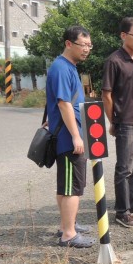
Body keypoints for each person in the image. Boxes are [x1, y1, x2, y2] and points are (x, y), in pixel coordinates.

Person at [102, 17, 133, 229]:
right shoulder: (114, 61)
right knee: (124, 167)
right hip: (125, 122)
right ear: (124, 36)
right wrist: (113, 120)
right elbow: (107, 94)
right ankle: (122, 212)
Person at [46, 25, 94, 248]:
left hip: (68, 135)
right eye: (83, 45)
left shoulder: (67, 66)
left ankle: (68, 224)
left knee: (65, 186)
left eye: (89, 45)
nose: (87, 49)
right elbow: (64, 103)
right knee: (72, 187)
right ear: (68, 44)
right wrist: (76, 136)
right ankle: (69, 234)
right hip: (68, 138)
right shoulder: (62, 68)